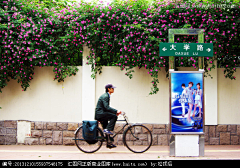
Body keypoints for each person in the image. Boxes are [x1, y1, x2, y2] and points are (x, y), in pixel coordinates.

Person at [95, 84, 121, 148]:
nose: (113, 89)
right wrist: (116, 111)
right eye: (112, 88)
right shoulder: (105, 96)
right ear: (108, 89)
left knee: (106, 129)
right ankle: (107, 130)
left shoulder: (107, 96)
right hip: (100, 114)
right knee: (114, 117)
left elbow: (106, 108)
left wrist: (114, 112)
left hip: (101, 113)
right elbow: (106, 107)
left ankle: (109, 143)